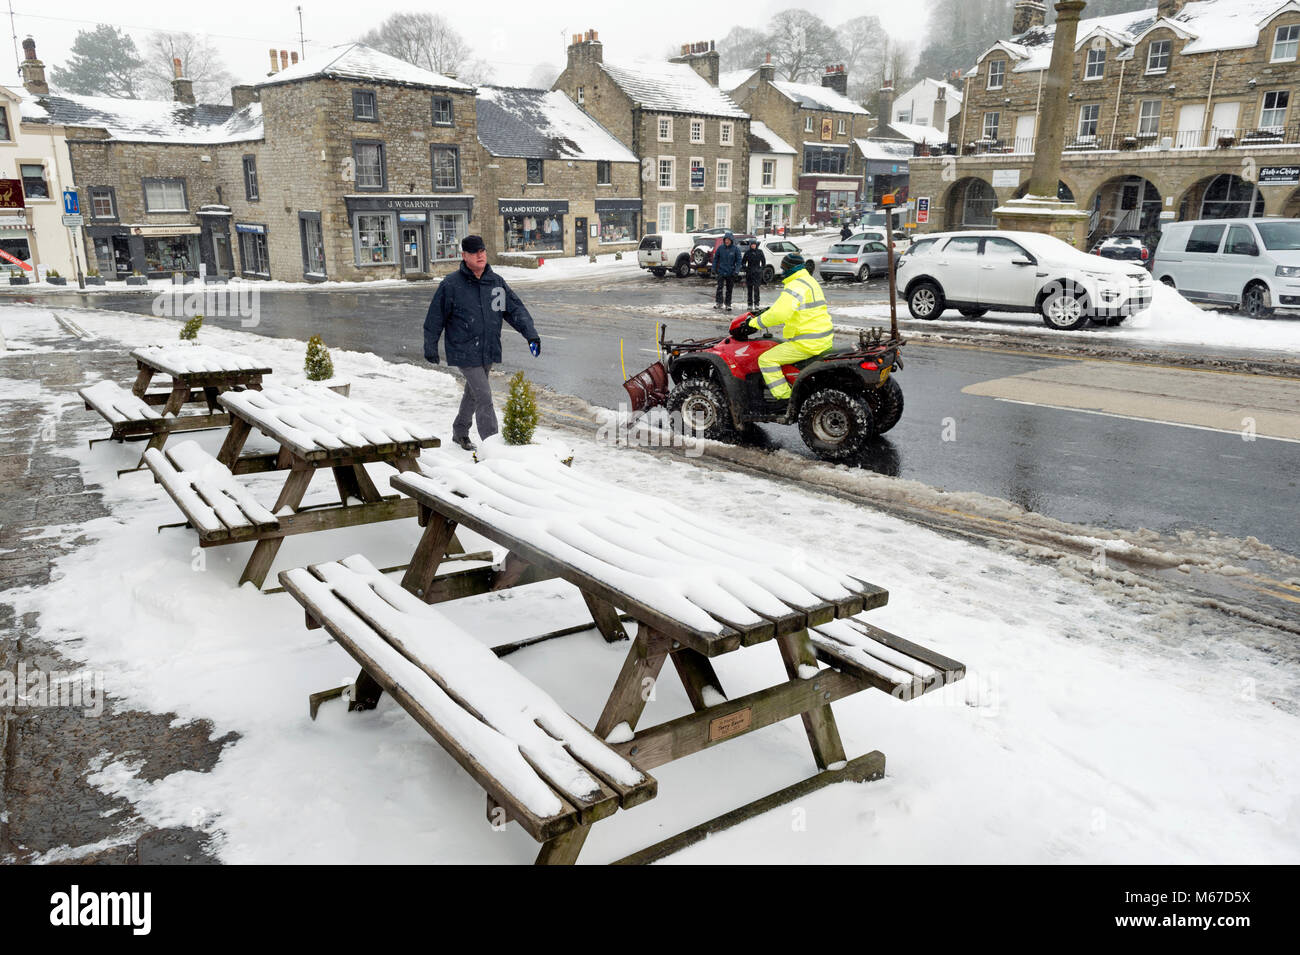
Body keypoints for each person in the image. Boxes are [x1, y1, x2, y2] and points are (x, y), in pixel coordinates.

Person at [424, 234, 541, 451]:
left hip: (488, 348)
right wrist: (430, 345)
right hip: (463, 349)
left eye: (483, 251)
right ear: (464, 256)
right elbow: (435, 317)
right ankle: (492, 446)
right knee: (484, 396)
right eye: (474, 252)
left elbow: (515, 310)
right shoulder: (451, 285)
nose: (480, 255)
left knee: (474, 393)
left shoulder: (495, 283)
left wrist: (531, 335)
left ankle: (460, 432)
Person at [731, 253, 833, 408]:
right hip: (821, 337)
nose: (782, 271)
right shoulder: (809, 281)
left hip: (807, 342)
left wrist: (753, 324)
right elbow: (788, 308)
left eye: (784, 267)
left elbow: (780, 314)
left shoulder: (795, 285)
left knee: (766, 360)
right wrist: (767, 312)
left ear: (792, 268)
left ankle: (786, 399)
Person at [712, 231, 742, 310]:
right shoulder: (720, 248)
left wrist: (736, 271)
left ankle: (728, 304)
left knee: (729, 289)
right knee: (719, 288)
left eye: (728, 239)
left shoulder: (736, 249)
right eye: (725, 239)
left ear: (731, 240)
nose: (727, 241)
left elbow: (739, 261)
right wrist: (713, 268)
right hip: (721, 271)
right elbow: (715, 259)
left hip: (731, 272)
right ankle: (719, 303)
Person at [741, 237, 766, 309]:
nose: (753, 246)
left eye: (754, 244)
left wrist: (761, 269)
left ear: (756, 245)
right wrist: (745, 268)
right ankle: (749, 304)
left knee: (756, 289)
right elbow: (743, 262)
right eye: (752, 244)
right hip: (749, 273)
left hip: (757, 273)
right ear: (750, 245)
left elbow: (763, 262)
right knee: (749, 289)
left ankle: (757, 303)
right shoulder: (747, 253)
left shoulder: (760, 252)